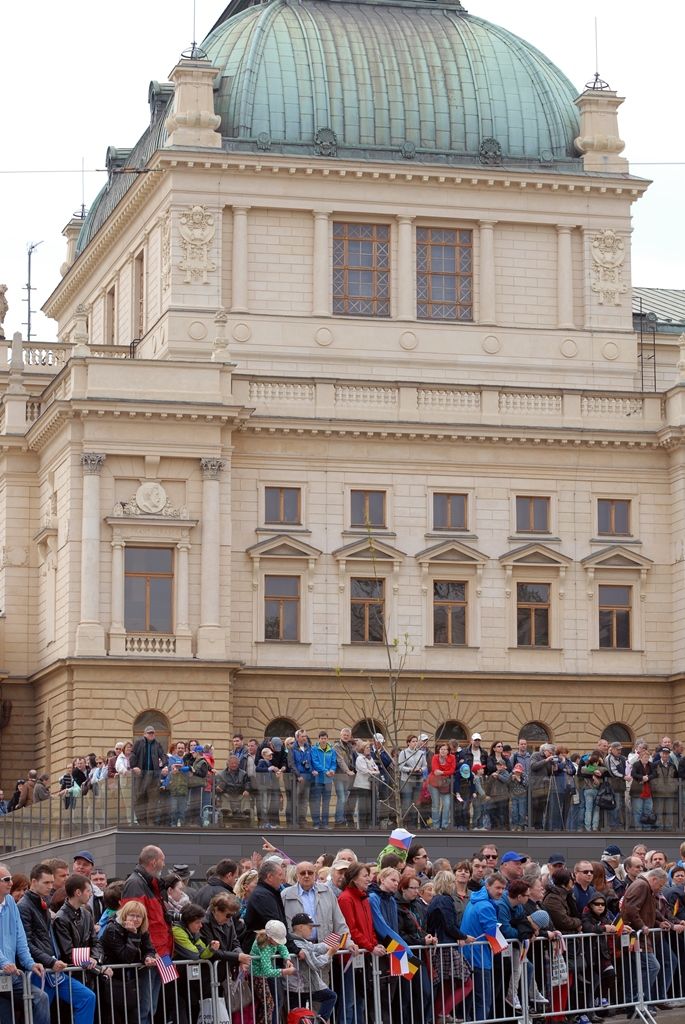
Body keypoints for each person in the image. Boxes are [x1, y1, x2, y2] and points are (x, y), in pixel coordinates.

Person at [18, 862, 97, 1024]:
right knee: (41, 1013)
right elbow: (26, 944)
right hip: (38, 970)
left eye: (51, 883)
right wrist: (51, 961)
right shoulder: (24, 907)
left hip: (52, 969)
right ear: (33, 882)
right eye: (46, 882)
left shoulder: (43, 904)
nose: (50, 886)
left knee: (87, 997)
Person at [121, 845, 172, 1024]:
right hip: (152, 954)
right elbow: (133, 920)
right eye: (162, 860)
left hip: (161, 951)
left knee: (152, 1005)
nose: (164, 864)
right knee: (145, 1006)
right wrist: (148, 951)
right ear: (153, 862)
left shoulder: (148, 883)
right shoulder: (136, 883)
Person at [0, 863, 51, 1024]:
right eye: (6, 879)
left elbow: (20, 937)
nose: (10, 883)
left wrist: (30, 963)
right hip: (4, 971)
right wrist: (4, 962)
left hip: (9, 975)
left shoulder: (9, 902)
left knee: (40, 997)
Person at [98, 900, 157, 1024]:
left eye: (138, 916)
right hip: (112, 979)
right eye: (132, 915)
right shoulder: (112, 929)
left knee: (138, 1012)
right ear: (125, 915)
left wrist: (148, 957)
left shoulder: (142, 929)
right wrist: (133, 935)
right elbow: (126, 957)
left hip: (131, 980)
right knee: (115, 1017)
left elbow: (149, 948)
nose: (135, 919)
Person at [460, 873, 507, 1021]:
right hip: (479, 958)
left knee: (471, 1000)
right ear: (487, 886)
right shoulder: (486, 905)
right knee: (483, 1001)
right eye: (497, 887)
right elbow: (492, 933)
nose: (500, 891)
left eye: (503, 888)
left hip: (468, 955)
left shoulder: (474, 900)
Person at [284, 913, 338, 1022]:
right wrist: (329, 954)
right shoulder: (298, 943)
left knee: (300, 1017)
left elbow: (313, 947)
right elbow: (316, 964)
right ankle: (319, 1022)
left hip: (300, 986)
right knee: (330, 997)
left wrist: (326, 946)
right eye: (310, 927)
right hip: (300, 987)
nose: (312, 930)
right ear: (300, 927)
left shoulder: (300, 941)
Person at [172, 903, 220, 1024]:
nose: (201, 925)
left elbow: (202, 953)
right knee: (178, 1008)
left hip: (184, 978)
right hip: (173, 977)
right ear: (188, 921)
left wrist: (211, 949)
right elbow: (193, 955)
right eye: (197, 922)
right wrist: (203, 951)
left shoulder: (193, 932)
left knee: (191, 1006)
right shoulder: (177, 930)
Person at [250, 919, 295, 1024]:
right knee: (268, 1004)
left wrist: (287, 959)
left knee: (268, 1004)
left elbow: (282, 947)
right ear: (270, 938)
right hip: (258, 975)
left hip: (262, 974)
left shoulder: (271, 941)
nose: (278, 942)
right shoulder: (265, 947)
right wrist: (284, 972)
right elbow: (267, 971)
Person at [129, 725, 168, 826]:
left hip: (154, 775)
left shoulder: (157, 744)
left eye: (153, 733)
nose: (151, 735)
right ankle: (142, 822)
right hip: (141, 775)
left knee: (153, 800)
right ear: (144, 734)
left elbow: (163, 755)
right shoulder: (138, 743)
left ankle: (150, 822)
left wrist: (165, 765)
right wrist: (134, 767)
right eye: (149, 733)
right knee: (139, 798)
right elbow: (133, 755)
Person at [398, 735, 427, 829]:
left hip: (418, 780)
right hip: (407, 780)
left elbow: (425, 766)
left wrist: (420, 769)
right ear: (408, 743)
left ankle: (413, 824)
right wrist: (411, 769)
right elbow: (400, 767)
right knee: (407, 802)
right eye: (413, 741)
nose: (415, 743)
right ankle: (405, 823)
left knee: (416, 803)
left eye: (416, 741)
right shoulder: (404, 753)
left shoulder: (421, 753)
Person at [310, 731, 337, 829]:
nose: (323, 740)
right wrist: (326, 771)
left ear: (327, 739)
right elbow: (315, 762)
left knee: (326, 803)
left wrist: (332, 770)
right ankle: (316, 823)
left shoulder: (332, 750)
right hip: (317, 780)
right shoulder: (314, 749)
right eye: (322, 738)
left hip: (328, 780)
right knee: (316, 802)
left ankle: (325, 823)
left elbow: (334, 762)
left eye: (325, 738)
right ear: (319, 739)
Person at [485, 741, 512, 830]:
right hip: (493, 791)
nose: (501, 748)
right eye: (498, 746)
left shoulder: (506, 760)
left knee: (503, 811)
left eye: (501, 746)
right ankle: (494, 827)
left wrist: (499, 775)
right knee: (493, 811)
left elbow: (508, 775)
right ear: (494, 748)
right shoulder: (490, 758)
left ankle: (504, 828)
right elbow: (489, 768)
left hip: (503, 791)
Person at [352, 741, 380, 828]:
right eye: (367, 748)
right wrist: (373, 772)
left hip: (370, 786)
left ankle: (369, 825)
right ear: (362, 749)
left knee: (369, 807)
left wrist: (374, 771)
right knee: (362, 807)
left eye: (369, 748)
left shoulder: (370, 759)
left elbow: (377, 769)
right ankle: (362, 826)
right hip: (362, 786)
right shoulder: (360, 759)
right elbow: (365, 770)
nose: (369, 750)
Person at [429, 743, 456, 830]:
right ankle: (435, 826)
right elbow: (435, 770)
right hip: (434, 783)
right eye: (441, 749)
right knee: (436, 805)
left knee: (447, 804)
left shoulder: (452, 757)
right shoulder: (435, 757)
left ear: (448, 751)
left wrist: (443, 772)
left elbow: (452, 770)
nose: (443, 751)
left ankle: (444, 825)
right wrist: (445, 772)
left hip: (445, 784)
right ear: (439, 750)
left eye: (445, 749)